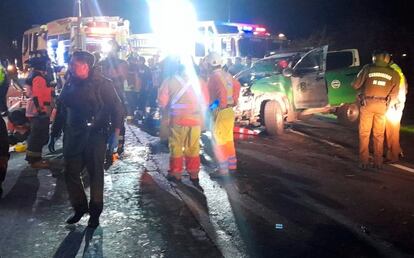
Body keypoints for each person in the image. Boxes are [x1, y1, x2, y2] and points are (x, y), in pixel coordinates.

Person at [51, 51, 123, 228]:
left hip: (95, 136)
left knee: (96, 175)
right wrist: (54, 133)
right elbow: (62, 109)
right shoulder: (70, 82)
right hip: (73, 136)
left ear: (86, 66)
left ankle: (95, 212)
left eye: (74, 64)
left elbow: (118, 109)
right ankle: (80, 208)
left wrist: (117, 135)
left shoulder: (104, 84)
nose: (71, 67)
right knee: (70, 172)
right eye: (71, 64)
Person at [158, 57, 209, 185]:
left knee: (176, 147)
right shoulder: (200, 82)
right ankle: (194, 174)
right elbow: (206, 102)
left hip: (177, 121)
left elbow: (162, 102)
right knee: (193, 148)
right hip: (195, 120)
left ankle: (176, 174)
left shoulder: (170, 80)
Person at [353, 50, 400, 170]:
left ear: (374, 58)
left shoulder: (367, 68)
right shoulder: (394, 73)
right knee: (379, 135)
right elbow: (395, 94)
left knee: (364, 133)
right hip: (382, 106)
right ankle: (378, 162)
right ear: (387, 59)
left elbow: (355, 85)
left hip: (367, 104)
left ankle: (364, 161)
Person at [206, 52, 241, 178]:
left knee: (218, 141)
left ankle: (223, 170)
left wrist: (213, 107)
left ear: (210, 64)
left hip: (221, 112)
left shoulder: (214, 77)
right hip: (229, 111)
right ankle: (232, 166)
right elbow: (237, 85)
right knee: (227, 139)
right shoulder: (227, 75)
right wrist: (234, 101)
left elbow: (220, 94)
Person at [25, 56, 54, 169]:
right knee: (38, 136)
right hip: (38, 111)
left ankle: (35, 158)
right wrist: (41, 110)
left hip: (36, 110)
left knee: (37, 135)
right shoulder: (38, 77)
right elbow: (38, 96)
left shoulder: (35, 75)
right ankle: (35, 161)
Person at [385, 60, 408, 163]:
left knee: (391, 129)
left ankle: (393, 155)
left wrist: (395, 101)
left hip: (394, 103)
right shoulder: (395, 68)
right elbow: (405, 85)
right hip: (396, 102)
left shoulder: (394, 69)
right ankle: (396, 151)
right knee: (392, 128)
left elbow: (399, 86)